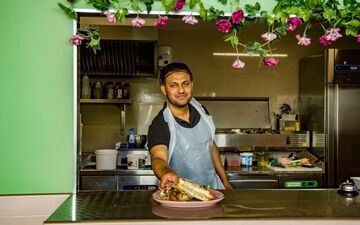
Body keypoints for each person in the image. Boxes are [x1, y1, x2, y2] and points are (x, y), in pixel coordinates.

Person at [147, 62, 232, 190]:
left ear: (192, 85)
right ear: (164, 89)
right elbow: (158, 158)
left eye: (185, 84)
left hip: (213, 191)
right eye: (173, 85)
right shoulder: (160, 124)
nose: (181, 90)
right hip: (181, 196)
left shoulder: (202, 111)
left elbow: (210, 145)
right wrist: (165, 173)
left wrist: (225, 182)